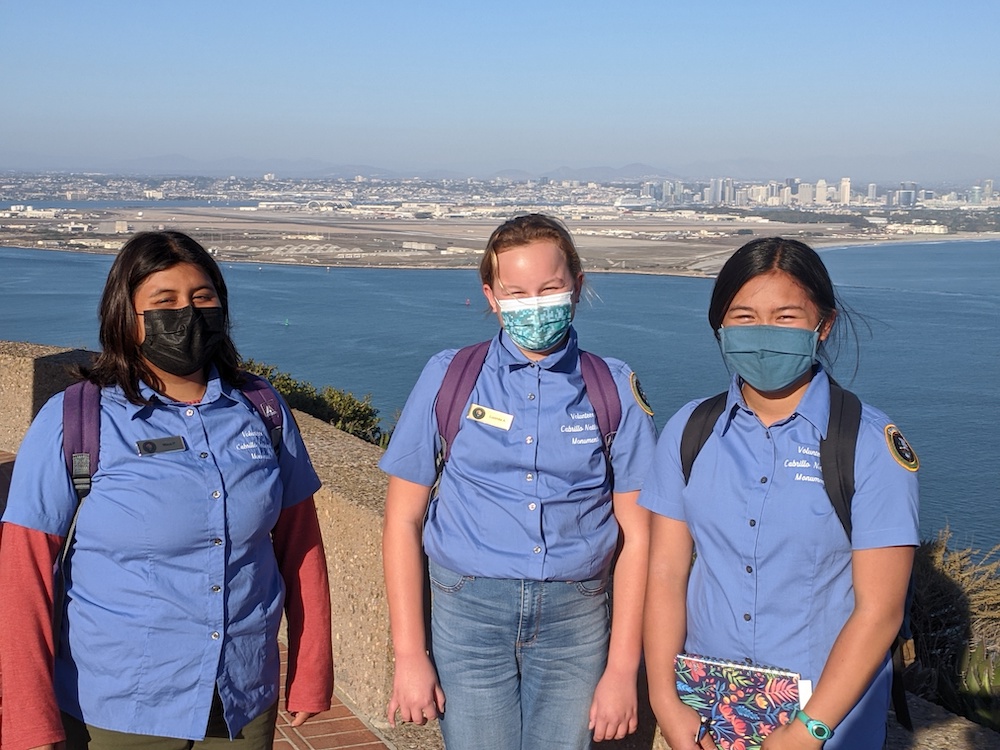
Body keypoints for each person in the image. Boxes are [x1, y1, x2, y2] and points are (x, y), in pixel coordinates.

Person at [0, 231, 333, 750]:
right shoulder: (76, 420)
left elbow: (301, 546)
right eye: (164, 302)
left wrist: (311, 669)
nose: (188, 314)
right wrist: (27, 717)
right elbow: (25, 574)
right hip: (117, 706)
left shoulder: (261, 409)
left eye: (203, 297)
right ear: (124, 315)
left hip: (242, 698)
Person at [380, 214, 658, 749]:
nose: (534, 304)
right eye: (516, 292)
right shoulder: (449, 376)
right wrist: (411, 656)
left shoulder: (614, 387)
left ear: (577, 285)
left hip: (576, 616)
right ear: (491, 295)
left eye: (550, 288)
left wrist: (623, 670)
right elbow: (403, 517)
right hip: (466, 610)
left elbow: (637, 536)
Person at [640, 237, 919, 750]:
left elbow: (880, 611)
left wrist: (808, 729)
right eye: (744, 316)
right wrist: (665, 698)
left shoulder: (867, 445)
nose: (763, 333)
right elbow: (666, 573)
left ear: (823, 325)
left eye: (786, 316)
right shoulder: (689, 431)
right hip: (710, 710)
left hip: (830, 719)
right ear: (719, 327)